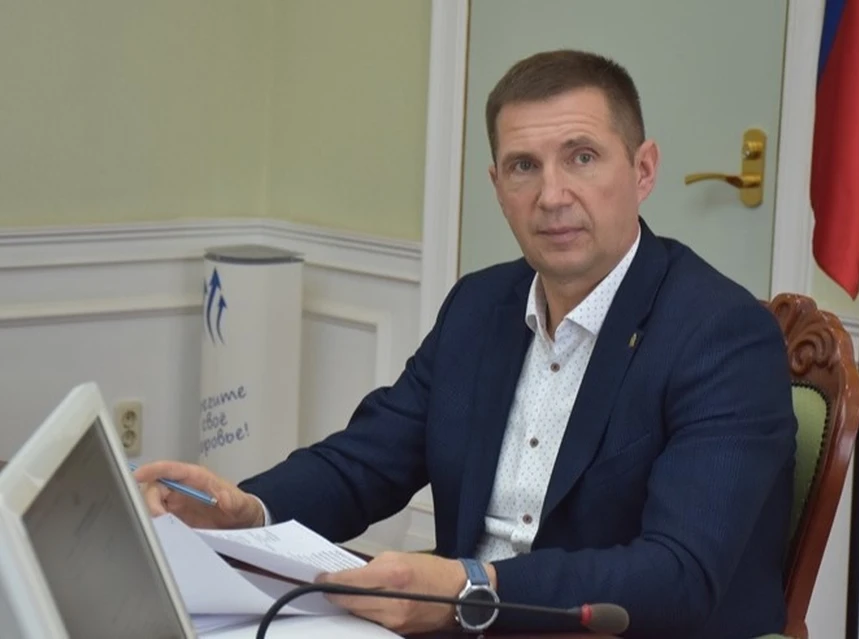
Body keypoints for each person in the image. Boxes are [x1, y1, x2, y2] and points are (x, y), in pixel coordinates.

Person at [136, 49, 797, 639]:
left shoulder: (722, 336)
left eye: (582, 157)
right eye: (523, 167)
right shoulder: (480, 307)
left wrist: (471, 586)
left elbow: (679, 574)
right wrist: (248, 510)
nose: (552, 195)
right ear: (498, 188)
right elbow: (366, 462)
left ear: (643, 169)